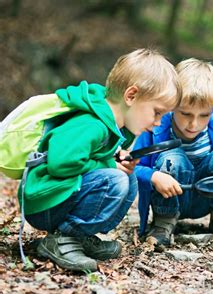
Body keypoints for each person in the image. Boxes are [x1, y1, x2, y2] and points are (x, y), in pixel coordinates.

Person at [20, 48, 181, 271]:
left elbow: (91, 158)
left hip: (59, 197)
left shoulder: (111, 125)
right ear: (131, 96)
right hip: (44, 202)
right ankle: (61, 239)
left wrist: (115, 158)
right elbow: (60, 163)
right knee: (115, 180)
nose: (158, 122)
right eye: (157, 112)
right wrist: (108, 164)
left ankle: (78, 236)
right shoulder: (91, 123)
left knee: (127, 177)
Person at [134, 58, 213, 248]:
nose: (193, 124)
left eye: (204, 115)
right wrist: (154, 176)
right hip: (171, 196)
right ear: (172, 105)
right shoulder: (156, 126)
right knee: (172, 157)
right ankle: (164, 221)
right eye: (185, 114)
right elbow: (134, 167)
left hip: (208, 196)